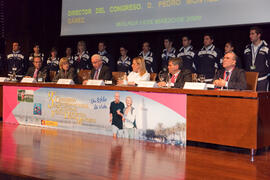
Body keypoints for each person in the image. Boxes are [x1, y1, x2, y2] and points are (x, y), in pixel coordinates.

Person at [243, 26, 270, 91]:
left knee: (262, 100)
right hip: (250, 80)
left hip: (262, 80)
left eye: (252, 34)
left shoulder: (267, 48)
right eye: (250, 34)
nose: (250, 36)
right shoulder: (247, 48)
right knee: (249, 100)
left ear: (259, 35)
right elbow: (245, 63)